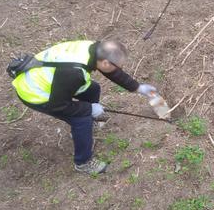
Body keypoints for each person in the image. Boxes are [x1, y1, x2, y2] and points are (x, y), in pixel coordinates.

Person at [11, 40, 157, 174]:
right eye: (117, 66)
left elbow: (111, 70)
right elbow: (58, 105)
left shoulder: (94, 49)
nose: (119, 69)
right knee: (81, 119)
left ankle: (85, 129)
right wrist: (89, 109)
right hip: (35, 93)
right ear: (105, 62)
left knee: (93, 89)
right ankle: (83, 162)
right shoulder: (74, 73)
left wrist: (137, 87)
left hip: (55, 80)